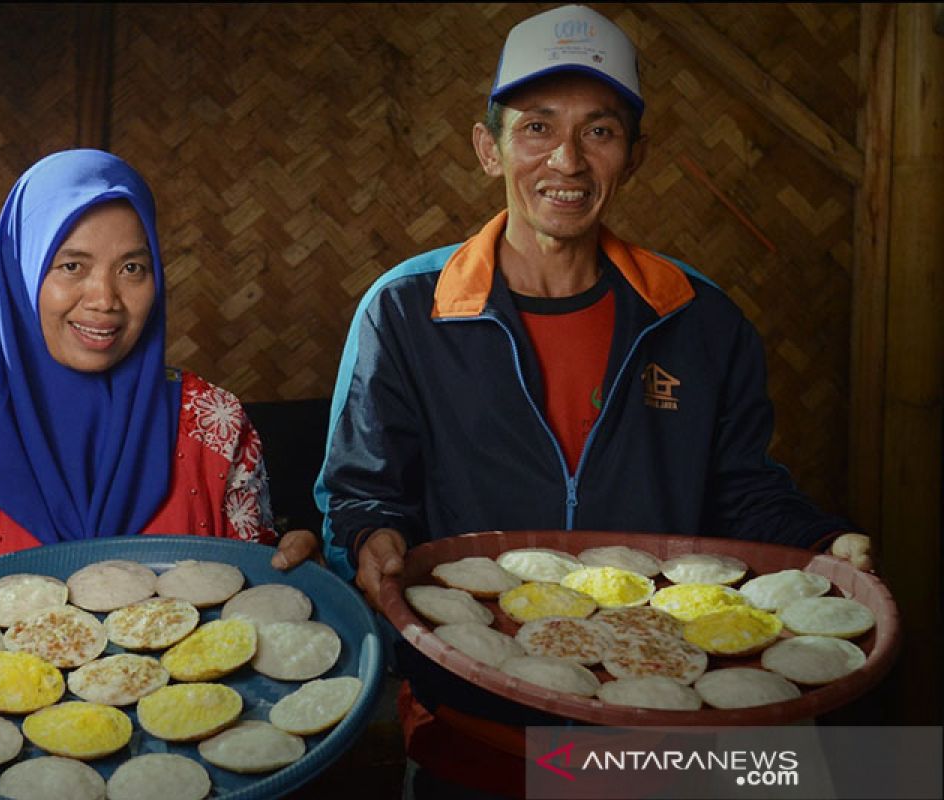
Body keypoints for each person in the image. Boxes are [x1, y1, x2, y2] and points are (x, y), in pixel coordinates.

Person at [314, 5, 873, 798]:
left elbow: (742, 490)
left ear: (634, 155)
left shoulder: (698, 319)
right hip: (475, 726)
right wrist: (371, 538)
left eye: (600, 131)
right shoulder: (409, 311)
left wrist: (824, 542)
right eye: (536, 127)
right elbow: (360, 493)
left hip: (656, 728)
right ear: (489, 148)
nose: (567, 161)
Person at [0, 149, 320, 683]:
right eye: (72, 266)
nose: (106, 299)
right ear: (21, 272)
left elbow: (253, 624)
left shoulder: (214, 425)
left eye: (133, 268)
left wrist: (303, 586)